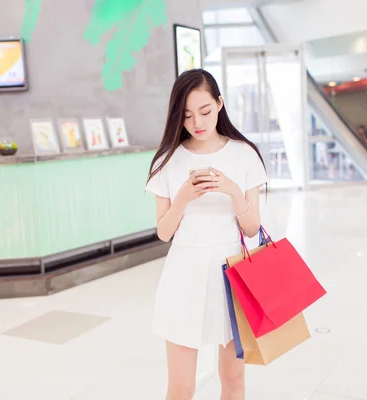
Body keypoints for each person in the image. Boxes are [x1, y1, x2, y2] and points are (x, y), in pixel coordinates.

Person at [145, 69, 268, 400]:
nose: (197, 122)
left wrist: (233, 192)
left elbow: (253, 227)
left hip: (233, 273)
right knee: (181, 388)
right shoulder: (167, 160)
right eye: (186, 115)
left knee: (233, 379)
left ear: (220, 104)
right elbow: (164, 232)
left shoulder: (244, 154)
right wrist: (184, 196)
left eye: (205, 111)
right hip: (184, 273)